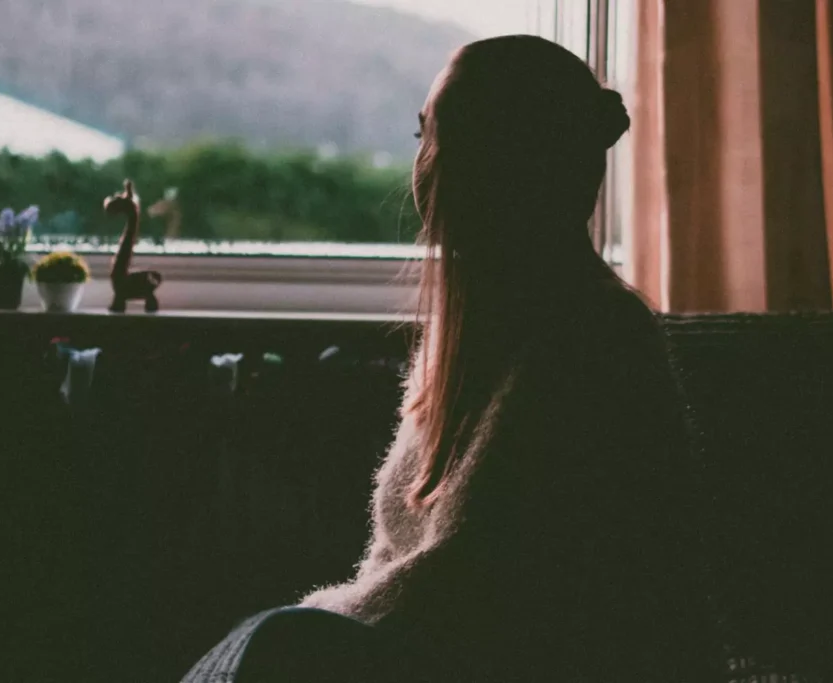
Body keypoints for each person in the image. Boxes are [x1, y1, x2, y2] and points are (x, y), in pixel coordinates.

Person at [182, 35, 713, 683]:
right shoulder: (465, 343)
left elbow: (474, 592)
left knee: (278, 642)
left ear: (511, 161)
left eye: (443, 134)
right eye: (422, 134)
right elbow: (396, 562)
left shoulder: (595, 340)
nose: (425, 162)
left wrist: (307, 627)